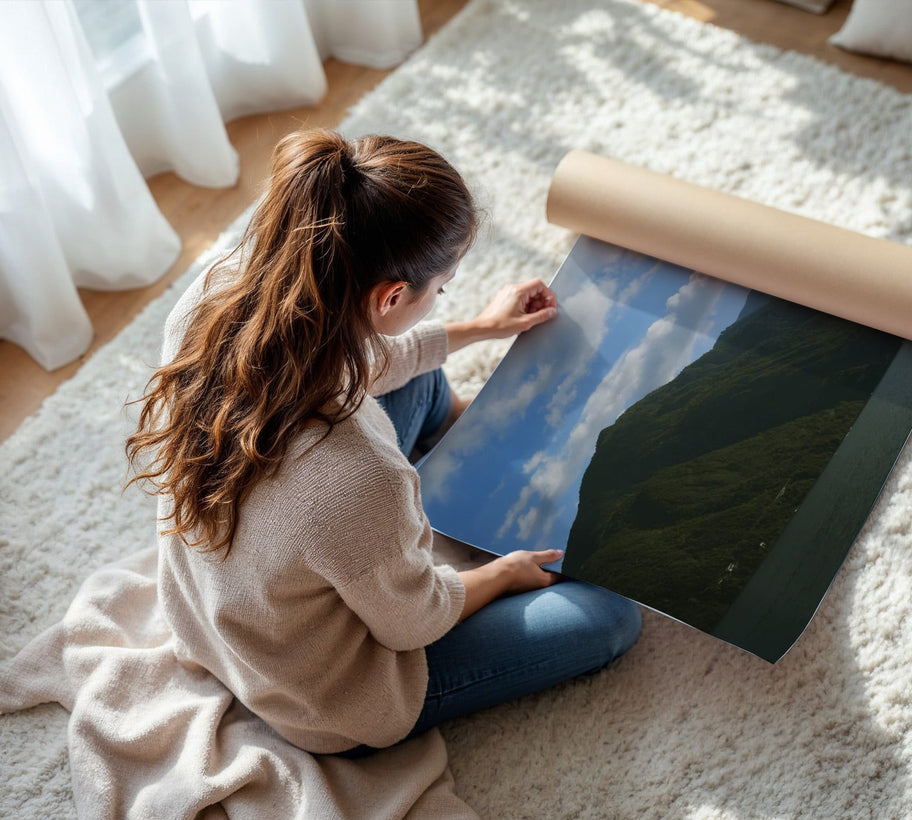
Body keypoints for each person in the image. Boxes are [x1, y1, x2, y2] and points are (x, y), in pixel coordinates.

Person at [126, 129, 641, 757]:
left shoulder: (221, 289)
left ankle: (464, 441)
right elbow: (413, 622)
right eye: (442, 289)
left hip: (216, 611)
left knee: (421, 379)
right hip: (321, 694)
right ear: (392, 295)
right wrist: (503, 573)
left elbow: (366, 359)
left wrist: (481, 327)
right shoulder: (358, 475)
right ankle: (466, 487)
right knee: (609, 617)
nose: (442, 298)